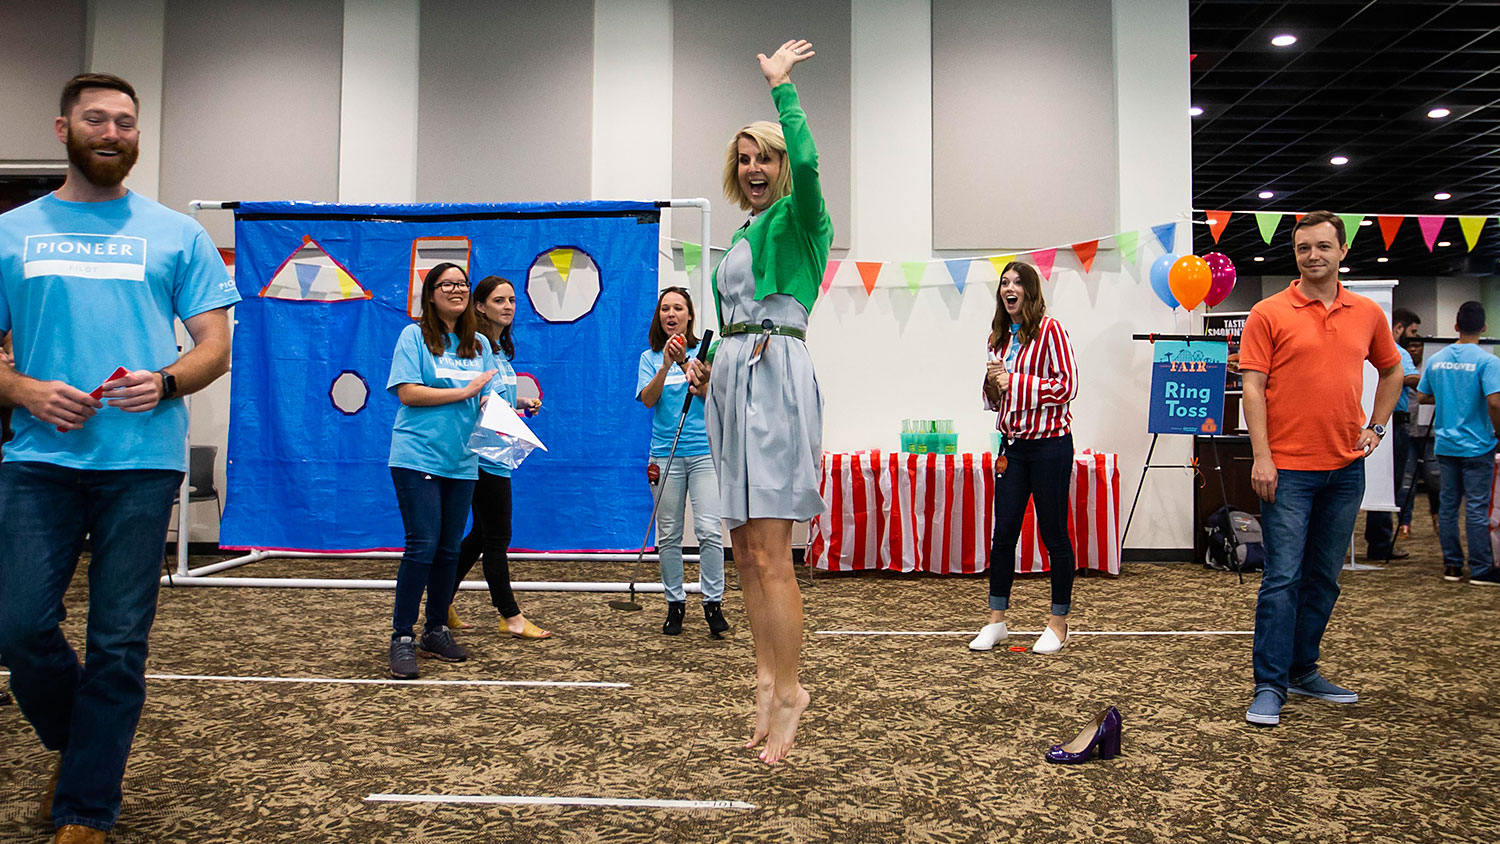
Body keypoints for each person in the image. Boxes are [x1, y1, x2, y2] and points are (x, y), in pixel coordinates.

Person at [0, 73, 238, 843]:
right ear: (63, 128)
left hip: (140, 462)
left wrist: (166, 380)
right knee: (20, 628)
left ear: (137, 137)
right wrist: (24, 389)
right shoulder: (11, 233)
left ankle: (85, 807)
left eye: (126, 122)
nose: (112, 131)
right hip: (38, 458)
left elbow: (215, 349)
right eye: (95, 118)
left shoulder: (177, 234)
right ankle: (84, 754)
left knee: (117, 642)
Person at [686, 39, 829, 765]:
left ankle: (792, 690)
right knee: (743, 552)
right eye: (744, 159)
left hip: (775, 383)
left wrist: (784, 93)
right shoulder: (742, 232)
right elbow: (731, 319)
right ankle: (765, 678)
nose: (755, 168)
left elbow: (807, 165)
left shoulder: (801, 221)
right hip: (736, 381)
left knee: (774, 555)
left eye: (763, 156)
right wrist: (712, 369)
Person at [1238, 210, 1404, 728]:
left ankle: (1302, 668)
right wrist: (1262, 456)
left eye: (1322, 247)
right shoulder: (1268, 312)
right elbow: (1252, 388)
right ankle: (1269, 684)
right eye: (1304, 247)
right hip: (1287, 470)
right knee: (1282, 578)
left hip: (1344, 470)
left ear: (1341, 252)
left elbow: (1393, 368)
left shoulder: (1367, 312)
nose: (1313, 256)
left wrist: (1375, 427)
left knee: (1324, 578)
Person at [386, 263, 497, 680]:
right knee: (423, 545)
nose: (457, 289)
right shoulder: (413, 337)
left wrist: (507, 410)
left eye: (463, 283)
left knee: (450, 548)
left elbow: (486, 399)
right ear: (430, 293)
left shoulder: (479, 344)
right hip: (417, 457)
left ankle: (435, 630)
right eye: (447, 284)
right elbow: (408, 393)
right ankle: (402, 637)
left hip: (462, 460)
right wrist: (465, 392)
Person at [969, 262, 1079, 655]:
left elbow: (1068, 386)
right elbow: (995, 399)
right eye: (1004, 283)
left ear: (1030, 291)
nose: (1008, 288)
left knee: (1054, 536)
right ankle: (997, 621)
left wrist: (1015, 381)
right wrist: (993, 387)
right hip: (1011, 449)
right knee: (1003, 536)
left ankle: (1058, 623)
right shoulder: (997, 337)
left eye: (1016, 283)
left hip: (1050, 446)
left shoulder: (1052, 330)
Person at [449, 275, 550, 639]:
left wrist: (521, 404)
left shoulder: (499, 349)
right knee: (497, 535)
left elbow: (496, 396)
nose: (508, 306)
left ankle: (441, 598)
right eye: (498, 300)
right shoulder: (475, 345)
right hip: (481, 454)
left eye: (511, 300)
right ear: (479, 306)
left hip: (498, 452)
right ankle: (510, 615)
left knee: (480, 534)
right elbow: (474, 395)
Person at [637, 287, 729, 636]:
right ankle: (674, 604)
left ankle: (712, 604)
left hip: (704, 453)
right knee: (669, 533)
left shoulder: (705, 355)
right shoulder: (649, 358)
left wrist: (696, 375)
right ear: (659, 317)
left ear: (689, 315)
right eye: (665, 309)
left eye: (678, 308)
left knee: (708, 530)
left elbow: (714, 398)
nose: (671, 314)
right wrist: (665, 365)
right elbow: (648, 400)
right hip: (665, 455)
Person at [1412, 301, 1500, 586]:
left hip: (1446, 445)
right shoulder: (1488, 361)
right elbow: (1495, 402)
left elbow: (1423, 396)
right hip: (1478, 445)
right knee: (1476, 508)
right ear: (1484, 328)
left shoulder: (1438, 360)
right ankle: (1481, 569)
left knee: (1448, 507)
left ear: (1455, 326)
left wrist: (1451, 398)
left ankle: (1451, 565)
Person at [1363, 308, 1422, 560]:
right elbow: (1411, 377)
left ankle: (1379, 542)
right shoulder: (1398, 352)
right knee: (1386, 482)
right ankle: (1379, 543)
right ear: (1398, 328)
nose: (1414, 337)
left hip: (1383, 422)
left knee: (1382, 483)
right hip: (1389, 424)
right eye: (1412, 331)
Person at [1401, 335, 1441, 535]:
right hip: (1408, 431)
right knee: (1406, 482)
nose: (1414, 350)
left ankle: (1437, 517)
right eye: (1410, 346)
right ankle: (1404, 524)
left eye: (1418, 346)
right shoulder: (1402, 369)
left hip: (1430, 433)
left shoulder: (1430, 369)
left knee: (1434, 478)